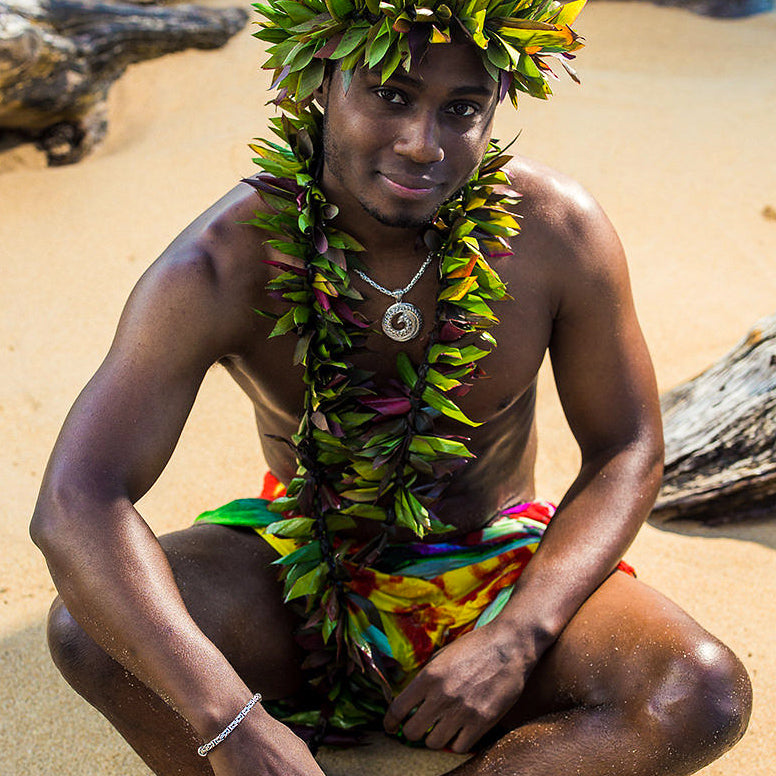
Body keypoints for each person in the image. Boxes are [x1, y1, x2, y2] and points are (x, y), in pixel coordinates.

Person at [30, 1, 752, 774]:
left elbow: (627, 447)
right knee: (90, 630)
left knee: (699, 694)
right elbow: (78, 502)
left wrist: (518, 634)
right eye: (392, 96)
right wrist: (229, 722)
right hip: (304, 573)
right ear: (315, 83)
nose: (422, 144)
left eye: (462, 109)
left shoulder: (554, 234)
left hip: (499, 565)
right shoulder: (222, 263)